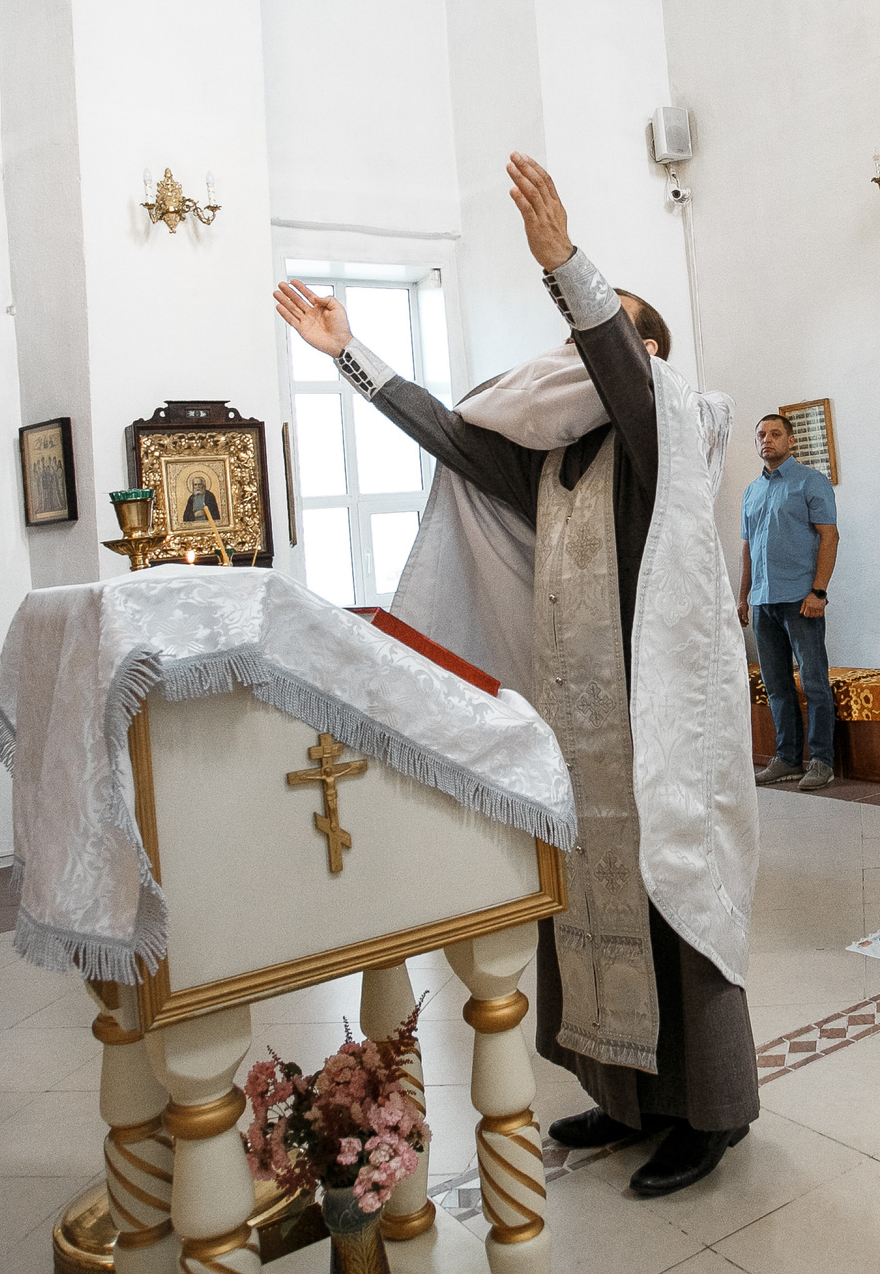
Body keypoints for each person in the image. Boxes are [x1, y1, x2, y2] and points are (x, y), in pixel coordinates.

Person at [271, 154, 758, 1199]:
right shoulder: (551, 465)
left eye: (599, 338)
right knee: (581, 910)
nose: (570, 360)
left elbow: (621, 374)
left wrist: (565, 267)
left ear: (644, 356)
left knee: (676, 910)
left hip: (661, 728)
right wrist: (349, 355)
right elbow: (449, 436)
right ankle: (627, 1099)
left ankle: (706, 1113)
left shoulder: (667, 432)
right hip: (579, 731)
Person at [738, 412, 841, 790]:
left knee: (813, 682)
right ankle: (786, 759)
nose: (767, 440)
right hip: (763, 601)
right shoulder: (751, 491)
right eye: (761, 434)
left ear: (791, 440)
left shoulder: (810, 482)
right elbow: (747, 549)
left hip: (801, 600)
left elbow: (829, 538)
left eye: (776, 433)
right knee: (776, 684)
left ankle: (821, 760)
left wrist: (818, 592)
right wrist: (743, 597)